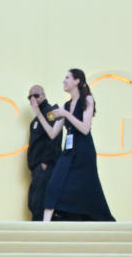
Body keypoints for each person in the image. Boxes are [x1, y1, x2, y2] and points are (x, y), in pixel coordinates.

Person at [34, 68, 114, 221]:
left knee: (89, 189)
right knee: (53, 184)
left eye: (67, 77)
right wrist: (38, 113)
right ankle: (45, 227)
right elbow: (52, 133)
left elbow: (85, 128)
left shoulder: (87, 99)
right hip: (68, 152)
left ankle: (101, 221)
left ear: (77, 80)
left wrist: (66, 114)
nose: (64, 81)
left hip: (84, 151)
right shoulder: (66, 105)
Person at [26, 84, 60, 220]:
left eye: (36, 95)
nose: (33, 99)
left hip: (45, 167)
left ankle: (40, 235)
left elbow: (54, 137)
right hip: (36, 168)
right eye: (30, 97)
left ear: (44, 95)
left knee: (39, 202)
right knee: (34, 201)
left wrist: (46, 162)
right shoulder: (35, 119)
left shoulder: (51, 113)